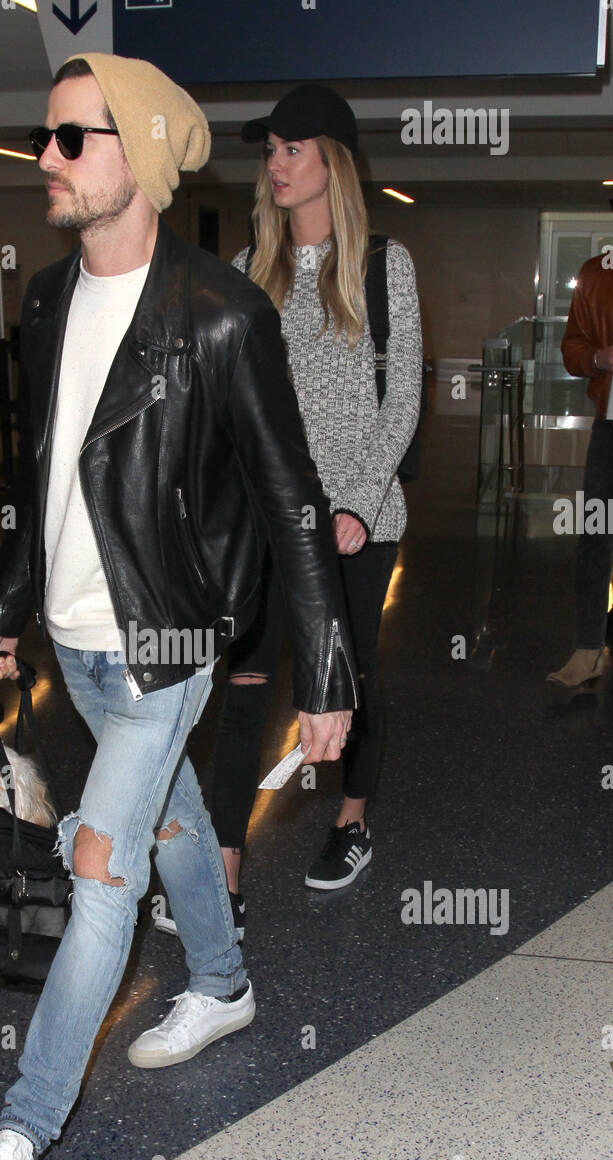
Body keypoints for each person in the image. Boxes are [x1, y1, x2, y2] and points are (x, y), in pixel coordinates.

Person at [0, 53, 357, 1160]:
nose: (45, 160)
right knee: (169, 816)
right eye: (45, 136)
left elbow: (289, 502)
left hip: (167, 641)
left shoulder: (222, 315)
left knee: (101, 863)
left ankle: (21, 1132)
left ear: (141, 159)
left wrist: (327, 675)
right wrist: (3, 606)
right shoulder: (42, 303)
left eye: (72, 139)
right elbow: (47, 477)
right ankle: (221, 983)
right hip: (74, 645)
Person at [181, 83, 421, 922]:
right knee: (245, 684)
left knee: (350, 675)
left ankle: (352, 819)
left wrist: (353, 501)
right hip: (266, 523)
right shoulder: (250, 268)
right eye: (269, 151)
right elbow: (232, 403)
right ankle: (223, 879)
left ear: (333, 162)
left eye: (291, 148)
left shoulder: (384, 266)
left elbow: (401, 403)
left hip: (359, 520)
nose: (275, 164)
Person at [552, 164, 613, 687]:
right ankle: (587, 649)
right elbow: (571, 348)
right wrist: (601, 359)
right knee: (595, 536)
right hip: (612, 426)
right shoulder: (596, 271)